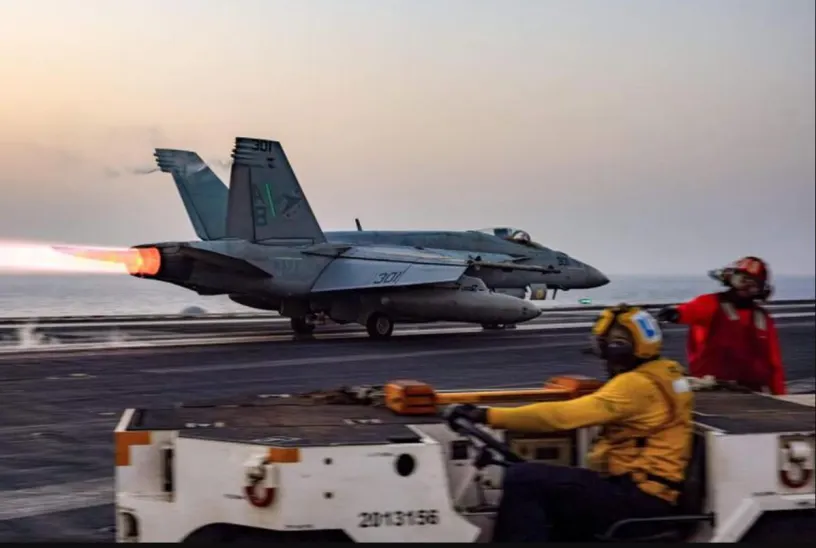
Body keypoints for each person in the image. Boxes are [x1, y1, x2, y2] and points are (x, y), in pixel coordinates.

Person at [443, 304, 693, 542]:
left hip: (639, 500)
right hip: (648, 495)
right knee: (542, 486)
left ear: (619, 348)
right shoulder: (665, 373)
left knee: (524, 478)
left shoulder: (636, 385)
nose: (605, 361)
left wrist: (487, 416)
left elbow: (562, 417)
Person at [656, 256, 787, 395]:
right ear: (730, 279)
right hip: (711, 388)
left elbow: (774, 362)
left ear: (760, 289)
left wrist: (780, 394)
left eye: (752, 285)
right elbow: (691, 310)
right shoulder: (711, 303)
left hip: (752, 392)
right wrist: (675, 313)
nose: (745, 288)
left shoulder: (763, 318)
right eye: (741, 280)